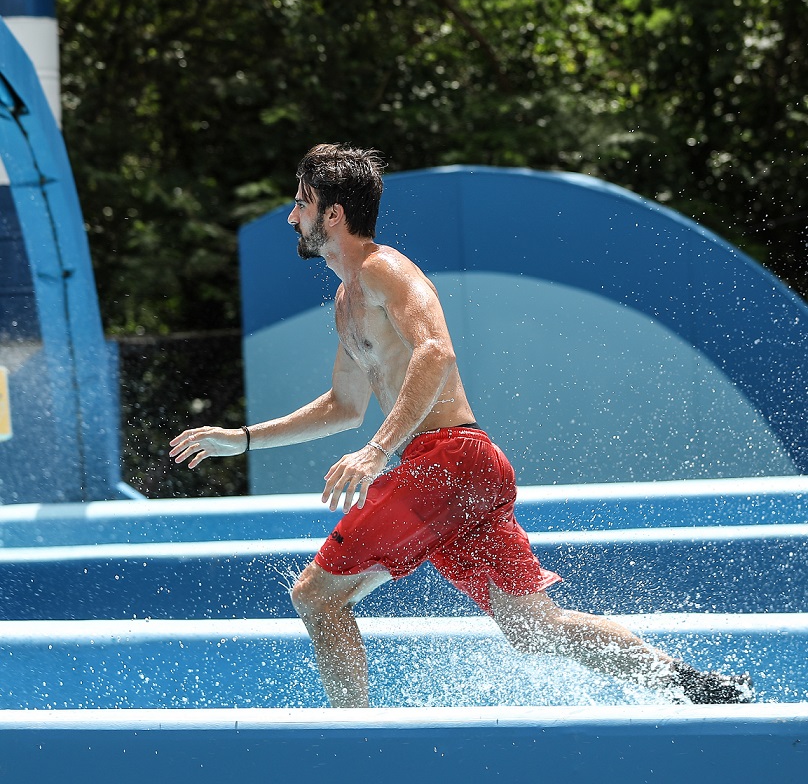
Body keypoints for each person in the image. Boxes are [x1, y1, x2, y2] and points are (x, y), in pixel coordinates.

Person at [170, 143, 753, 708]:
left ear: (334, 213)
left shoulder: (384, 269)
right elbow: (341, 406)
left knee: (316, 598)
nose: (292, 216)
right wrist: (242, 440)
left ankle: (354, 748)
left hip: (447, 459)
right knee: (534, 628)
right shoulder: (349, 302)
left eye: (301, 202)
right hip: (461, 469)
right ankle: (693, 685)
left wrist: (376, 452)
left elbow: (436, 353)